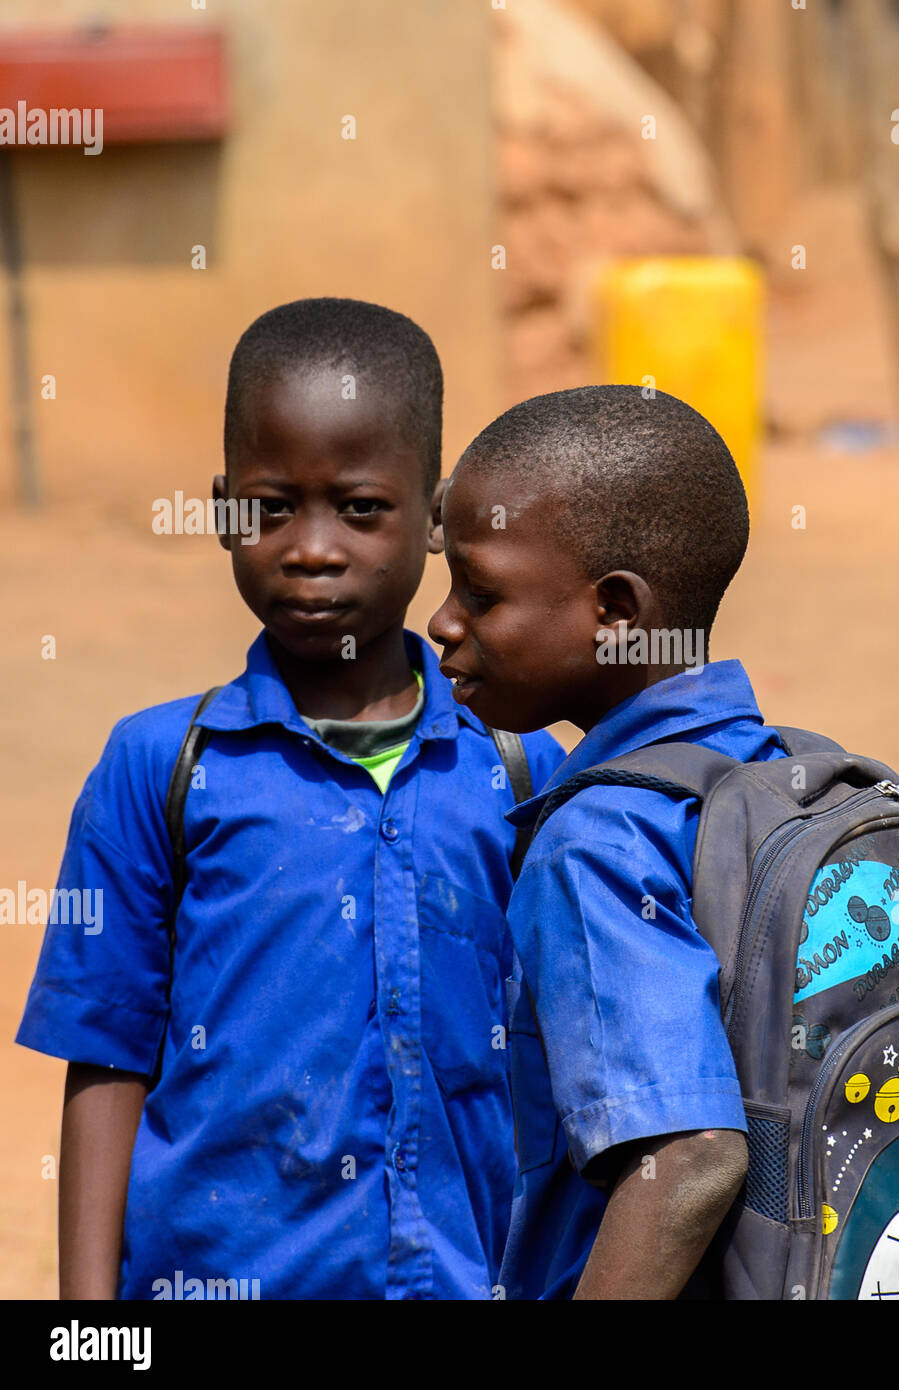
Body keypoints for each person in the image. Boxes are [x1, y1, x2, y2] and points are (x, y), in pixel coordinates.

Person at [17, 298, 563, 1299]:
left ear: (434, 517)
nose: (312, 547)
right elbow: (105, 1059)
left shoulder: (518, 770)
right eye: (272, 508)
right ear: (225, 510)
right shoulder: (161, 766)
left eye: (359, 508)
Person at [429, 384, 783, 1299]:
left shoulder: (595, 834)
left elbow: (691, 1160)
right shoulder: (788, 777)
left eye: (480, 591)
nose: (442, 623)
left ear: (616, 611)